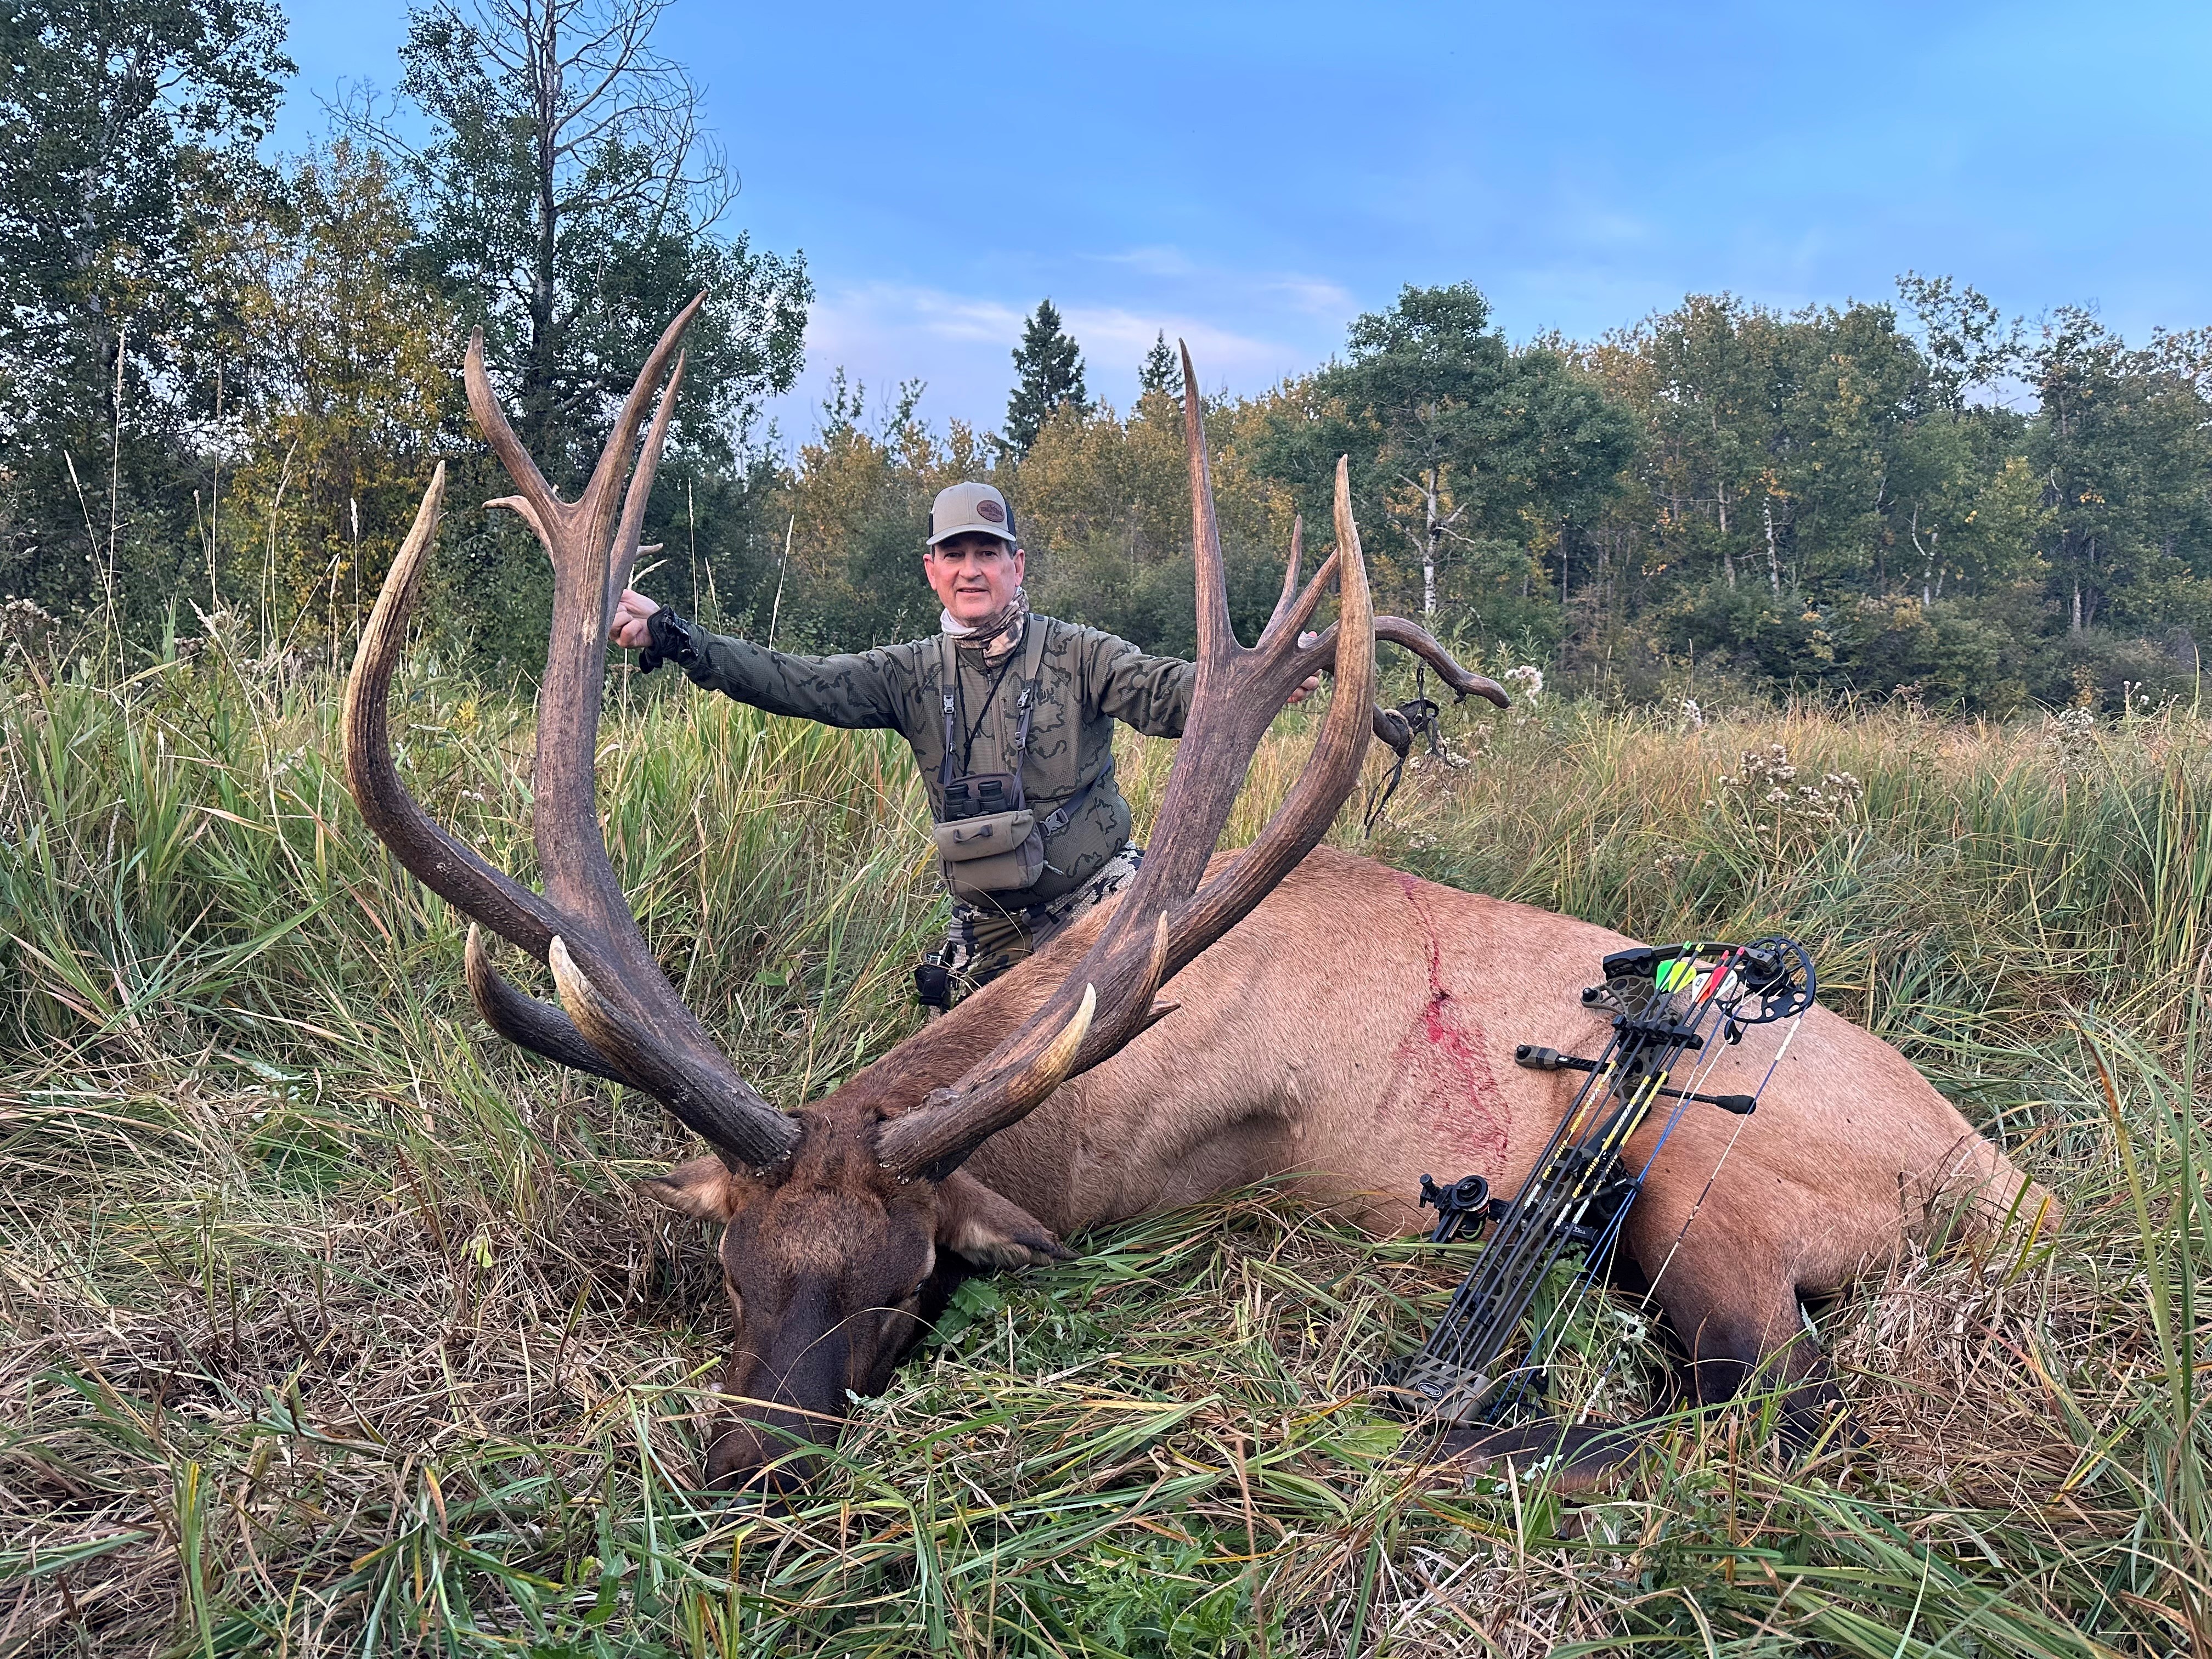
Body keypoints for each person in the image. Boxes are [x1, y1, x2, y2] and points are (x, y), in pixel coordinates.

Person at [610, 480, 1313, 1013]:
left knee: (1168, 1021)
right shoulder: (907, 674)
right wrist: (678, 637)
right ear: (932, 569)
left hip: (1100, 899)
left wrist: (1256, 680)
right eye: (955, 555)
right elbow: (800, 682)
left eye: (988, 553)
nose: (971, 570)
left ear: (1017, 565)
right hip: (990, 923)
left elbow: (1164, 691)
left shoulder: (1079, 654)